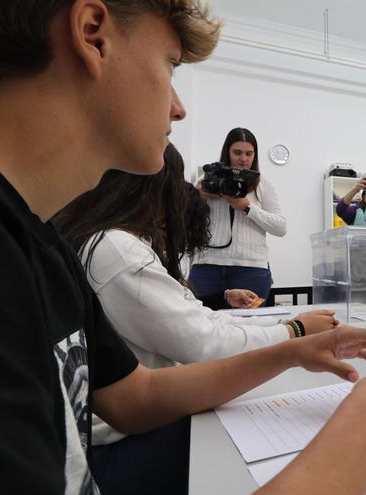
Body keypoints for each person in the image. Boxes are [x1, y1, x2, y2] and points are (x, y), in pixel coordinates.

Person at [0, 2, 366, 494]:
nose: (178, 108)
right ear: (92, 34)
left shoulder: (36, 240)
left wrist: (292, 349)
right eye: (170, 65)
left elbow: (137, 398)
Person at [53, 143, 342, 493]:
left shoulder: (114, 243)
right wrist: (294, 331)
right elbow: (205, 344)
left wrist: (281, 330)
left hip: (124, 430)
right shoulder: (118, 249)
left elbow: (198, 321)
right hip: (119, 444)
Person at [189, 127, 285, 308]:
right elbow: (185, 219)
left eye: (249, 153)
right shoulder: (206, 182)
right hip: (206, 265)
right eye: (237, 152)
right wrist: (197, 196)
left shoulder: (263, 184)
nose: (243, 159)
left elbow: (280, 227)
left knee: (250, 327)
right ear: (227, 152)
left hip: (251, 268)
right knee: (201, 323)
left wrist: (247, 207)